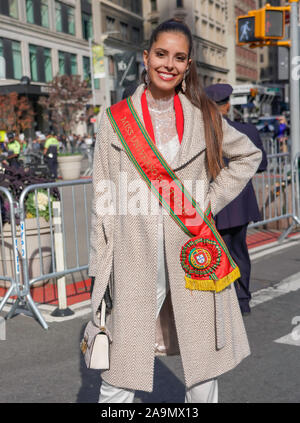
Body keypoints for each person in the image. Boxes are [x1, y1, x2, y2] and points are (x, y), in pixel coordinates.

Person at [89, 19, 262, 404]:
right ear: (146, 57)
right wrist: (99, 271)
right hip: (134, 257)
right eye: (162, 54)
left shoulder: (203, 114)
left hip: (193, 252)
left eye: (179, 57)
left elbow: (248, 155)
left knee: (203, 370)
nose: (169, 64)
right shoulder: (114, 120)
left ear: (188, 66)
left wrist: (208, 202)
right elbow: (103, 200)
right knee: (120, 370)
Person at [205, 83, 268, 315]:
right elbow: (261, 164)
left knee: (213, 253)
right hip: (240, 202)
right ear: (227, 104)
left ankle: (220, 303)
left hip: (213, 201)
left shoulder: (203, 130)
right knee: (239, 250)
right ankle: (242, 300)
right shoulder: (246, 130)